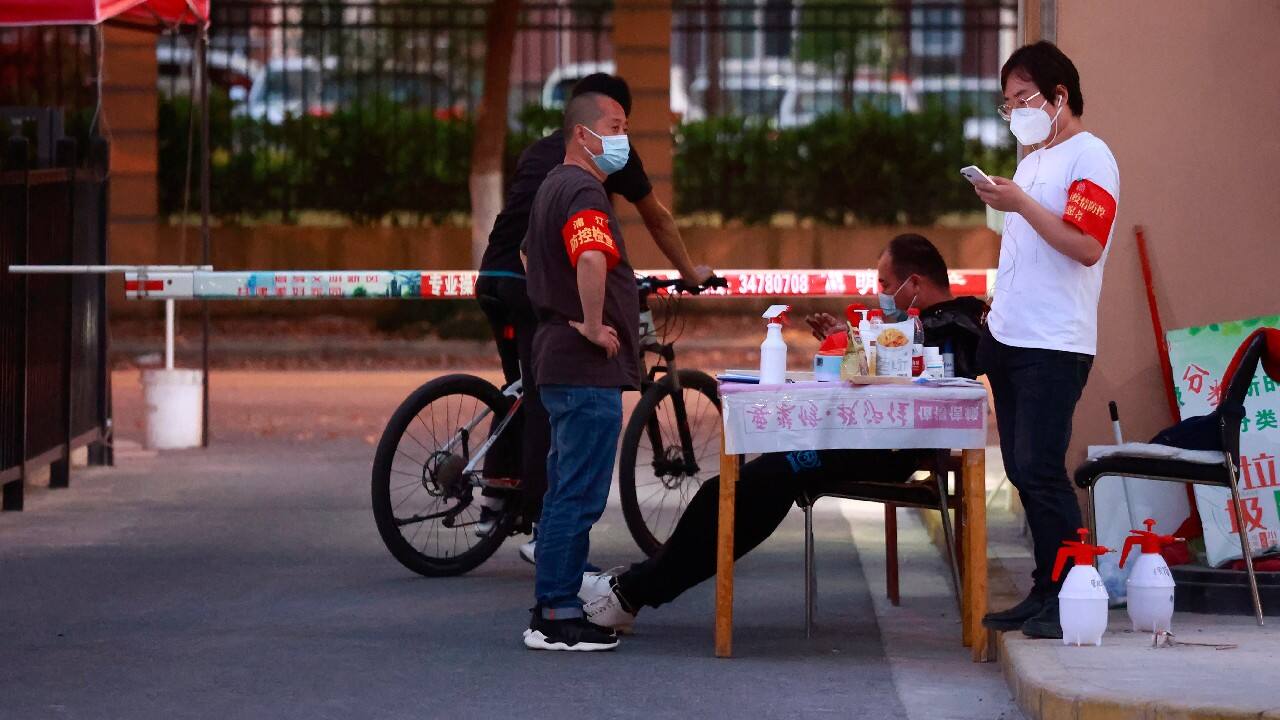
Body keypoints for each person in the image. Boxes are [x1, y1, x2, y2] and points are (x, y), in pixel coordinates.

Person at [577, 234, 989, 632]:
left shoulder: (953, 327)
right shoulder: (918, 326)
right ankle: (633, 587)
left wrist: (856, 347)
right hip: (856, 438)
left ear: (914, 283)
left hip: (884, 449)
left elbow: (908, 376)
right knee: (741, 489)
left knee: (750, 488)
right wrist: (846, 344)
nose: (879, 292)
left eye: (884, 283)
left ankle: (631, 592)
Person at [474, 74, 711, 563]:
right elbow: (646, 224)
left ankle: (498, 486)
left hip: (494, 274)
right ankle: (545, 528)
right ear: (590, 126)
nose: (623, 136)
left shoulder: (547, 154)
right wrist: (687, 273)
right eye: (618, 124)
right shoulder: (586, 176)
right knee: (547, 394)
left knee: (520, 385)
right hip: (529, 282)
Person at [972, 41, 1120, 640]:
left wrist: (1020, 202)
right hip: (1010, 337)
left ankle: (1072, 590)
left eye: (1024, 97)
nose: (1016, 111)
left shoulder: (1092, 157)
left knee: (1039, 467)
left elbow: (1086, 246)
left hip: (1055, 344)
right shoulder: (1033, 161)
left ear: (1060, 96)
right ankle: (1046, 587)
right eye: (1007, 103)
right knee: (1020, 466)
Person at [520, 92, 642, 651]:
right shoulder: (583, 189)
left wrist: (558, 300)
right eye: (615, 127)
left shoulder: (551, 187)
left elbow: (528, 255)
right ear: (582, 134)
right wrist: (592, 324)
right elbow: (591, 255)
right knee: (578, 494)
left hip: (555, 359)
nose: (623, 138)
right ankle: (557, 615)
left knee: (562, 490)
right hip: (583, 366)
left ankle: (553, 601)